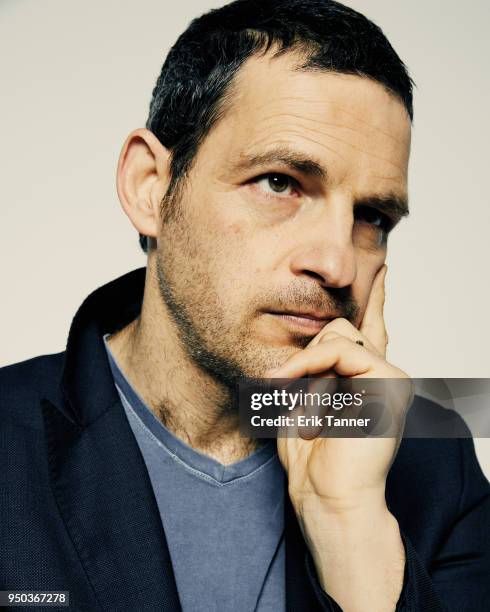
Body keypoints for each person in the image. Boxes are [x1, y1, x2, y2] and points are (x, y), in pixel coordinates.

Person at [1, 0, 489, 610]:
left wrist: (350, 529)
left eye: (372, 216)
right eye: (279, 182)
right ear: (150, 188)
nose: (338, 264)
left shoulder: (438, 462)